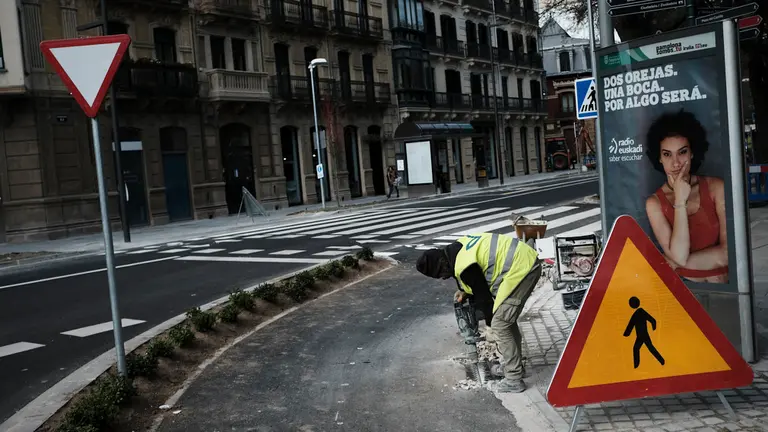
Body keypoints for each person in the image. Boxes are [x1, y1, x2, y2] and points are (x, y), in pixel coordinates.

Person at [416, 232, 541, 393]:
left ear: (442, 263)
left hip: (522, 268)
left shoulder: (464, 266)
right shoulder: (456, 250)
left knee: (500, 323)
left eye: (441, 273)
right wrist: (464, 291)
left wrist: (490, 326)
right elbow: (476, 274)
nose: (443, 278)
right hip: (524, 260)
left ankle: (514, 379)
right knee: (506, 321)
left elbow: (485, 298)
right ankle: (515, 369)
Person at [644, 109, 728, 283]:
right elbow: (679, 256)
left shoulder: (716, 188)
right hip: (683, 297)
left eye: (682, 152)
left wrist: (673, 265)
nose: (675, 163)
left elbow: (729, 253)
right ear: (659, 158)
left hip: (724, 292)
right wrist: (680, 201)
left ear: (692, 152)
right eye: (667, 154)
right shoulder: (654, 203)